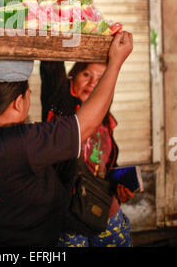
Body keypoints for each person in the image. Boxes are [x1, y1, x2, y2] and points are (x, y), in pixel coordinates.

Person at [0, 30, 133, 247]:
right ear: (18, 102)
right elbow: (85, 125)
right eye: (29, 93)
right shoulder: (20, 143)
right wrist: (115, 63)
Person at [40, 59, 134, 247]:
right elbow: (51, 67)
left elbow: (107, 165)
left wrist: (122, 188)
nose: (92, 83)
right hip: (70, 217)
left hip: (106, 213)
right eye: (86, 75)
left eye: (100, 79)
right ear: (72, 76)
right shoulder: (60, 107)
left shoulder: (106, 118)